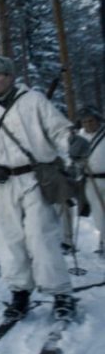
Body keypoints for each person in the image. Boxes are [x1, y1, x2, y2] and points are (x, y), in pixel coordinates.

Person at [0, 56, 88, 321]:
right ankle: (20, 294)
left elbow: (58, 130)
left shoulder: (33, 101)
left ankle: (61, 294)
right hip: (0, 185)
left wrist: (71, 143)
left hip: (35, 179)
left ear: (10, 76)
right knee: (9, 240)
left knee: (41, 237)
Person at [77, 105, 105, 254]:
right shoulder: (78, 138)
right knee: (98, 213)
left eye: (91, 121)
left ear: (97, 120)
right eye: (85, 122)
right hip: (90, 181)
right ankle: (103, 241)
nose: (88, 124)